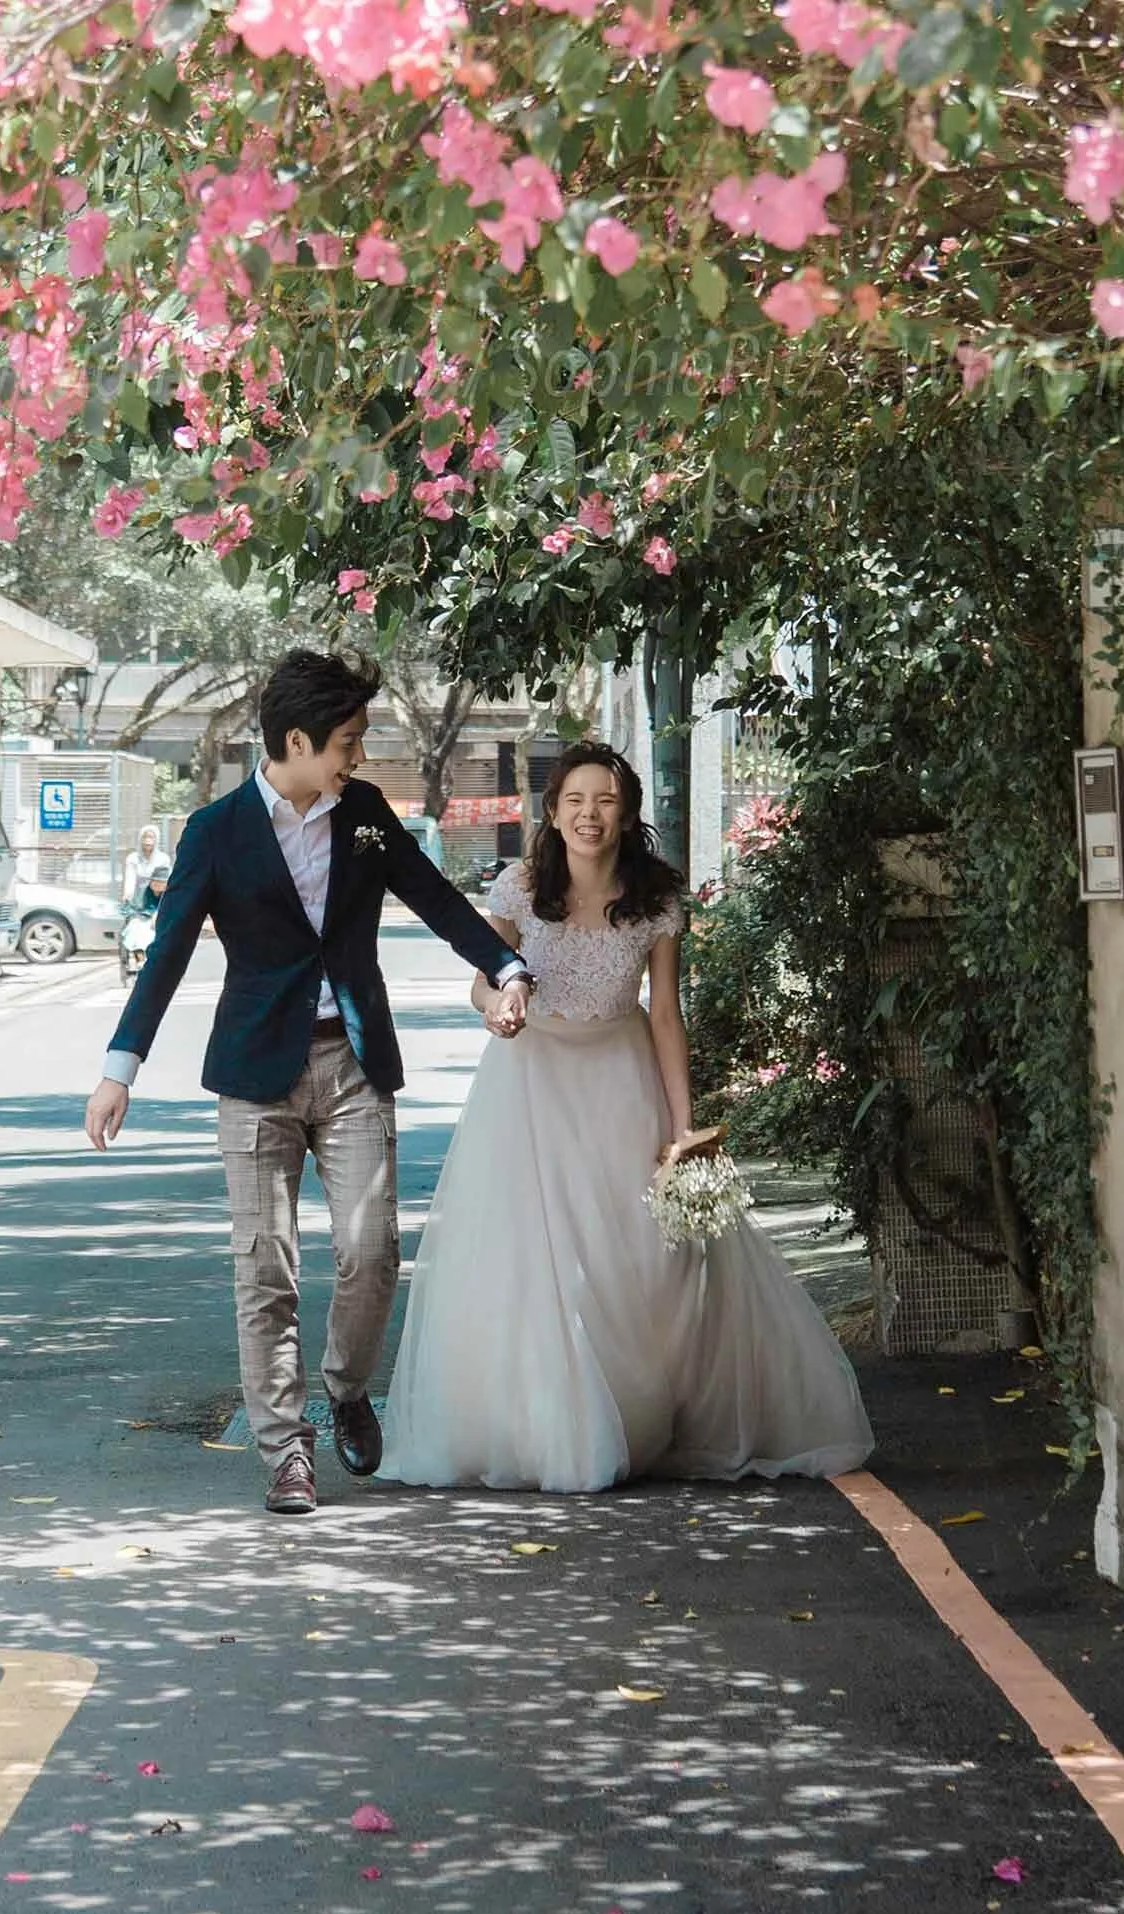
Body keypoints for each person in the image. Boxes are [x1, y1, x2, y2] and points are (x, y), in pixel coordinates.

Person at [84, 648, 531, 1515]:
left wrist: (507, 966)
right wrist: (119, 1068)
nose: (357, 757)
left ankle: (347, 1387)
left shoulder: (363, 813)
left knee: (373, 1253)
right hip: (255, 1077)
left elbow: (436, 899)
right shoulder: (215, 831)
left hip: (354, 1061)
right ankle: (287, 1450)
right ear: (298, 739)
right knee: (267, 1268)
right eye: (348, 741)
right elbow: (167, 953)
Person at [382, 740, 872, 1494]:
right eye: (575, 800)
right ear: (553, 811)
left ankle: (636, 1413)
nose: (590, 814)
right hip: (530, 1081)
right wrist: (498, 1005)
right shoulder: (518, 886)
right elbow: (483, 985)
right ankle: (554, 1427)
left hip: (621, 1076)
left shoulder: (658, 897)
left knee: (638, 1255)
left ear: (627, 811)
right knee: (534, 1257)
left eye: (605, 800)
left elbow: (666, 1015)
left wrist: (684, 1127)